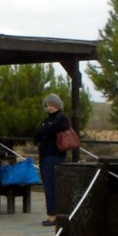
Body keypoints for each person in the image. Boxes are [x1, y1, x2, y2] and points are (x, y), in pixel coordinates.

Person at [34, 93, 72, 226]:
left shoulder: (61, 117)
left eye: (51, 105)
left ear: (57, 104)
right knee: (48, 185)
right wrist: (44, 132)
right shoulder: (46, 120)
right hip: (45, 156)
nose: (49, 108)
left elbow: (50, 130)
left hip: (54, 156)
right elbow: (37, 133)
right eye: (47, 105)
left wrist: (44, 132)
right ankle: (53, 213)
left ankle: (53, 215)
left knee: (52, 186)